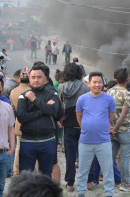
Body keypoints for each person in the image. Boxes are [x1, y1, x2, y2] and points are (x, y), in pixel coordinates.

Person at [16, 64, 64, 177]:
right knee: (26, 177)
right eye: (33, 77)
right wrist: (43, 110)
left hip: (47, 141)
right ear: (29, 79)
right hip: (27, 142)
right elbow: (22, 117)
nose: (36, 80)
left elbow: (54, 111)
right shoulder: (23, 96)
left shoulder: (52, 94)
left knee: (45, 177)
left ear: (45, 79)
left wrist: (34, 100)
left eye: (39, 77)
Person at [76, 71, 115, 197]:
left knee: (108, 170)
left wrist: (100, 127)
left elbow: (111, 117)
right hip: (85, 141)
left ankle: (109, 193)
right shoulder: (82, 99)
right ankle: (81, 193)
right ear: (89, 83)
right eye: (94, 82)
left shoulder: (109, 99)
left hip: (104, 141)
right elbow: (79, 118)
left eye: (100, 82)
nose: (97, 85)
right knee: (82, 170)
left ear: (103, 83)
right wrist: (88, 128)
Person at [58, 63, 97, 192]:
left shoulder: (62, 87)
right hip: (83, 124)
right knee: (87, 154)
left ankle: (70, 183)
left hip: (68, 125)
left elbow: (61, 103)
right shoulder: (85, 87)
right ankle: (89, 181)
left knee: (70, 155)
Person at [107, 68, 130, 192]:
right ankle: (125, 184)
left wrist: (111, 128)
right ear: (127, 79)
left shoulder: (108, 91)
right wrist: (116, 129)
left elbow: (105, 111)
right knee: (125, 158)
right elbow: (124, 115)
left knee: (110, 157)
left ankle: (110, 182)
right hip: (126, 131)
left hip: (111, 131)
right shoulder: (127, 94)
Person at [9, 67, 31, 177]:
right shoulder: (32, 91)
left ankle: (16, 172)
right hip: (31, 123)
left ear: (20, 78)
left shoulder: (13, 91)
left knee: (18, 148)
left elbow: (12, 109)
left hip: (18, 123)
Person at [0, 76, 15, 197]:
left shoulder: (7, 106)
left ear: (2, 88)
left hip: (4, 153)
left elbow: (11, 128)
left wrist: (12, 147)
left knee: (1, 187)